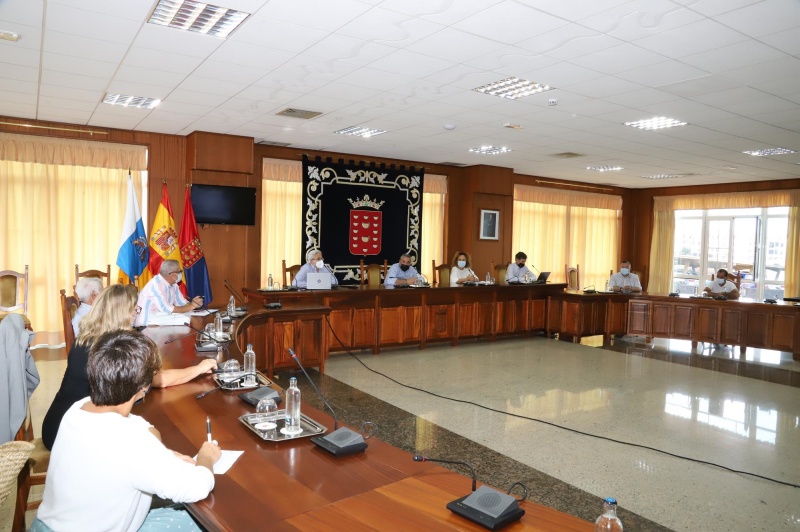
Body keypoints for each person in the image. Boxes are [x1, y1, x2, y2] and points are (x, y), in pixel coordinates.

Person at [33, 330, 220, 532]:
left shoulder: (78, 408)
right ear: (144, 386)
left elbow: (142, 429)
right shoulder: (131, 442)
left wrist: (162, 454)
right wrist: (206, 457)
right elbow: (196, 488)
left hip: (47, 525)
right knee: (201, 522)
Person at [42, 284, 217, 450]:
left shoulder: (86, 339)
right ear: (122, 314)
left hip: (60, 421)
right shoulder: (114, 351)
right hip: (74, 437)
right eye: (134, 310)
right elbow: (160, 379)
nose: (136, 315)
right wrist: (200, 368)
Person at [135, 260, 203, 327]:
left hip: (161, 318)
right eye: (180, 271)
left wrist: (195, 304)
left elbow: (181, 303)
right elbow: (166, 309)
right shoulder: (155, 285)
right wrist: (191, 306)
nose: (181, 274)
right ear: (173, 275)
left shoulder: (173, 284)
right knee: (185, 319)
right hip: (146, 323)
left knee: (187, 318)